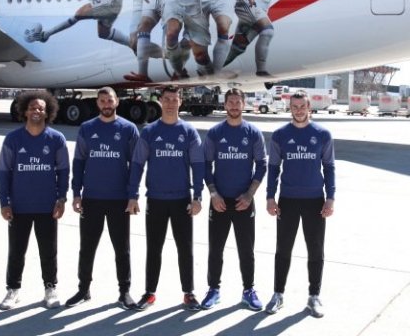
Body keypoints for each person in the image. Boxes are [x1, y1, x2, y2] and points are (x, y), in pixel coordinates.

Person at [126, 86, 205, 311]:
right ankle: (149, 293)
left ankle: (188, 293)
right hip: (156, 200)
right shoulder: (150, 131)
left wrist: (198, 196)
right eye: (167, 99)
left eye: (175, 99)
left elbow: (198, 165)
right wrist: (133, 195)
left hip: (182, 200)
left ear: (181, 101)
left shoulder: (189, 131)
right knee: (154, 248)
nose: (171, 103)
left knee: (185, 248)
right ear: (160, 101)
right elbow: (138, 164)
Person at [65, 87, 140, 309]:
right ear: (97, 103)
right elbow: (79, 162)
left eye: (110, 100)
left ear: (117, 102)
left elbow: (135, 165)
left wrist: (133, 195)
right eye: (102, 101)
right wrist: (76, 193)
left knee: (122, 248)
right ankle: (83, 289)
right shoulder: (87, 128)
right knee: (87, 247)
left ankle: (124, 292)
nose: (106, 104)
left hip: (119, 199)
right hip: (92, 198)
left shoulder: (128, 129)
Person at [264, 90, 335, 318]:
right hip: (288, 200)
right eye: (294, 107)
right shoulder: (280, 135)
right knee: (283, 249)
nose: (298, 110)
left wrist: (330, 197)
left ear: (309, 107)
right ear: (289, 108)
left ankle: (314, 296)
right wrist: (270, 196)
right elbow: (273, 168)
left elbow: (329, 167)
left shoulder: (322, 134)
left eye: (302, 106)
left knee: (315, 250)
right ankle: (278, 294)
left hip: (315, 201)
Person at [0, 91, 69, 310]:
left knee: (48, 251)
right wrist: (4, 201)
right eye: (33, 108)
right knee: (17, 251)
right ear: (25, 111)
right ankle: (13, 290)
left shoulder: (56, 139)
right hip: (19, 206)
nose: (36, 111)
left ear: (47, 113)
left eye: (41, 108)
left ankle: (50, 288)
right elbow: (3, 172)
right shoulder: (13, 139)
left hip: (47, 206)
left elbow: (64, 171)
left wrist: (61, 198)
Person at [200, 88, 267, 311]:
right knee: (215, 249)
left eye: (238, 102)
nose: (235, 106)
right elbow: (205, 165)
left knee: (246, 250)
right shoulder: (215, 133)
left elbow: (262, 164)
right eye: (231, 102)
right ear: (225, 104)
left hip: (244, 202)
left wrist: (250, 194)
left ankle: (249, 290)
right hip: (219, 201)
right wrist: (213, 193)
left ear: (243, 104)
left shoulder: (253, 133)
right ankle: (213, 290)